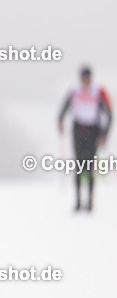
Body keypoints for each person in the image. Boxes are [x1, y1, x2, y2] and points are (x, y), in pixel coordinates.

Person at [58, 66, 111, 212]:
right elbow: (64, 108)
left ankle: (90, 202)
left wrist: (104, 134)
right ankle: (78, 202)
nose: (85, 81)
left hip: (93, 130)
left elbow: (108, 114)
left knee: (90, 166)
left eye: (87, 78)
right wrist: (60, 121)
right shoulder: (75, 91)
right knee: (78, 165)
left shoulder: (97, 92)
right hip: (78, 130)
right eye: (83, 78)